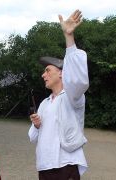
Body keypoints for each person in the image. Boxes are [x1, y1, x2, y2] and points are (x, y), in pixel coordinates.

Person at [28, 10, 89, 180]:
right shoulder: (44, 103)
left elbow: (78, 80)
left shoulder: (72, 97)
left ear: (62, 73)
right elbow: (32, 137)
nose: (43, 75)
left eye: (47, 70)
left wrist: (69, 38)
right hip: (45, 165)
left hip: (66, 164)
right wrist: (37, 125)